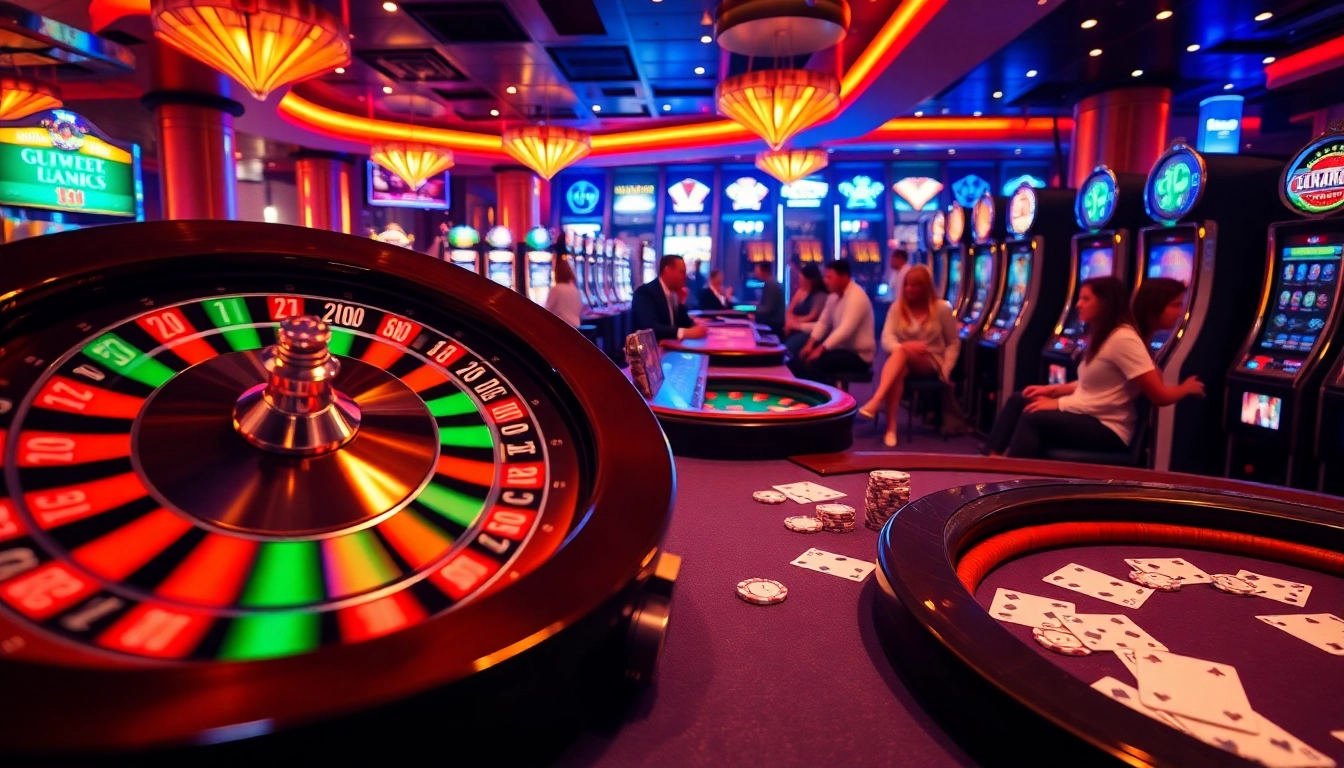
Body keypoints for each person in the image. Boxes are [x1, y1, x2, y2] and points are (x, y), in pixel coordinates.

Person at [982, 276, 1205, 458]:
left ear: (1104, 303)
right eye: (1176, 305)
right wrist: (1053, 390)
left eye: (1086, 299)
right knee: (1019, 399)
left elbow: (1158, 396)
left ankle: (1009, 480)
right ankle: (990, 459)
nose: (1078, 304)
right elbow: (1095, 385)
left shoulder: (1124, 339)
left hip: (1109, 427)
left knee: (1033, 417)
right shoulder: (1109, 335)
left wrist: (1186, 387)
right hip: (1094, 416)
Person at [858, 265, 959, 447]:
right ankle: (891, 428)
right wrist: (904, 347)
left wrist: (947, 369)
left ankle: (877, 400)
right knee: (899, 364)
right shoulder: (897, 308)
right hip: (902, 361)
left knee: (900, 353)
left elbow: (953, 342)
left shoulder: (941, 308)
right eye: (907, 285)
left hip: (931, 360)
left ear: (926, 287)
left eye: (915, 285)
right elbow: (886, 338)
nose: (909, 289)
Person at [790, 259, 875, 381]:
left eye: (830, 277)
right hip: (841, 349)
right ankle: (807, 391)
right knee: (800, 358)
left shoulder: (857, 297)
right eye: (826, 277)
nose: (826, 281)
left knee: (815, 363)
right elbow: (823, 323)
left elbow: (845, 331)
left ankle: (826, 393)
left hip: (859, 355)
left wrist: (820, 349)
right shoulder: (833, 296)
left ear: (844, 277)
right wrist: (810, 344)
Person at [631, 255, 709, 341]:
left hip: (671, 346)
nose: (685, 277)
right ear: (668, 271)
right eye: (682, 272)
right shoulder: (645, 292)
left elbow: (682, 325)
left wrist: (681, 304)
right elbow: (650, 328)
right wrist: (684, 332)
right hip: (652, 348)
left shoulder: (674, 293)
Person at [783, 264, 827, 357]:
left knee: (790, 346)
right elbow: (789, 310)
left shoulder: (820, 295)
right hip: (794, 326)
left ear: (809, 280)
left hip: (808, 331)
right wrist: (789, 322)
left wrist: (794, 323)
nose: (799, 281)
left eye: (801, 279)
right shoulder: (801, 291)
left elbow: (812, 316)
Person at [1132, 277, 1188, 349]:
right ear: (1154, 305)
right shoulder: (1131, 340)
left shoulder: (1141, 339)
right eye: (1176, 305)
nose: (1180, 313)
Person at [545, 255, 584, 328]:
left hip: (561, 326)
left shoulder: (556, 289)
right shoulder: (574, 289)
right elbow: (580, 308)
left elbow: (548, 310)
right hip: (575, 326)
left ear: (557, 273)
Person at [752, 261, 786, 337]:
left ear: (763, 271)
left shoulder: (771, 284)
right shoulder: (769, 283)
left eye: (756, 271)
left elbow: (768, 309)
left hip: (773, 325)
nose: (755, 274)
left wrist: (751, 310)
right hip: (771, 321)